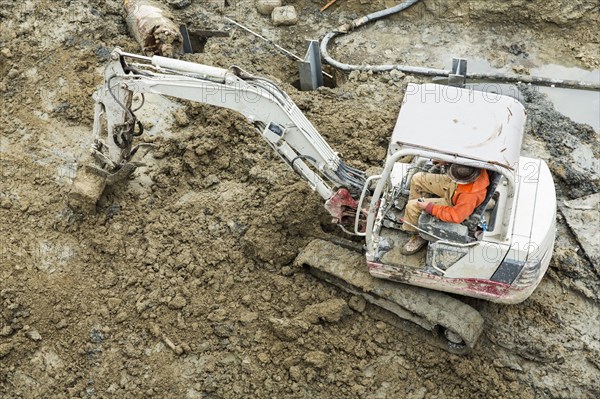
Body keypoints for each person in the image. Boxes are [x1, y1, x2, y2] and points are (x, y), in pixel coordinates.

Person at [400, 163, 490, 255]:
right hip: (454, 186)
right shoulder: (472, 167)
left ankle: (419, 234)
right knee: (417, 178)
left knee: (412, 206)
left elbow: (456, 216)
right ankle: (413, 217)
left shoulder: (470, 195)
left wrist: (430, 208)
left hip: (453, 202)